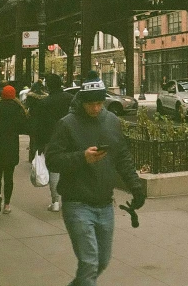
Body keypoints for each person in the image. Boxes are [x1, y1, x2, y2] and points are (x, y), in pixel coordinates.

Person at [46, 76, 146, 286]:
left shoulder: (111, 121)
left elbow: (122, 157)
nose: (96, 108)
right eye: (91, 103)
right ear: (82, 101)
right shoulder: (67, 124)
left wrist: (136, 186)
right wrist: (82, 157)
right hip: (77, 203)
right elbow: (52, 160)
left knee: (102, 261)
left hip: (104, 203)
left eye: (100, 103)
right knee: (89, 262)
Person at [0, 84, 29, 215]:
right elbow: (24, 127)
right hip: (11, 146)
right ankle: (7, 205)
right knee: (9, 177)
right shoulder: (18, 109)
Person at [31, 73, 73, 212]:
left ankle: (55, 201)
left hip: (51, 139)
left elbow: (39, 125)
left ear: (48, 86)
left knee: (54, 170)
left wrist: (39, 144)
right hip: (70, 138)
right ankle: (70, 198)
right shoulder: (70, 99)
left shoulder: (44, 103)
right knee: (69, 168)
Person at [25, 80, 48, 160]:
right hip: (43, 119)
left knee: (32, 138)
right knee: (41, 138)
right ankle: (40, 156)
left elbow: (26, 107)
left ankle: (32, 156)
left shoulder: (30, 96)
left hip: (33, 118)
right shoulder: (45, 96)